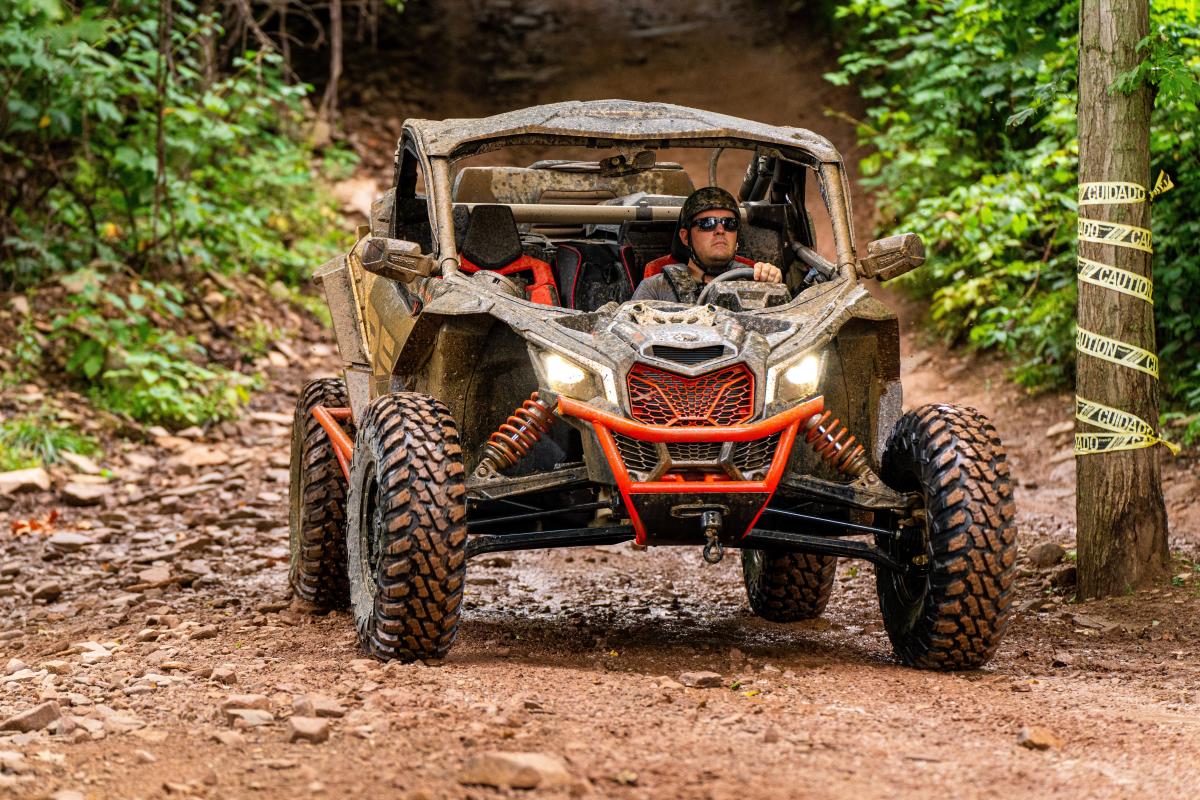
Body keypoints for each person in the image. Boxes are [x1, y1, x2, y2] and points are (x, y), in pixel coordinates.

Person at [631, 186, 783, 304]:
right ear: (685, 237)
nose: (720, 230)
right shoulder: (655, 289)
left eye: (729, 224)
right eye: (707, 223)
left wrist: (774, 285)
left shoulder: (757, 282)